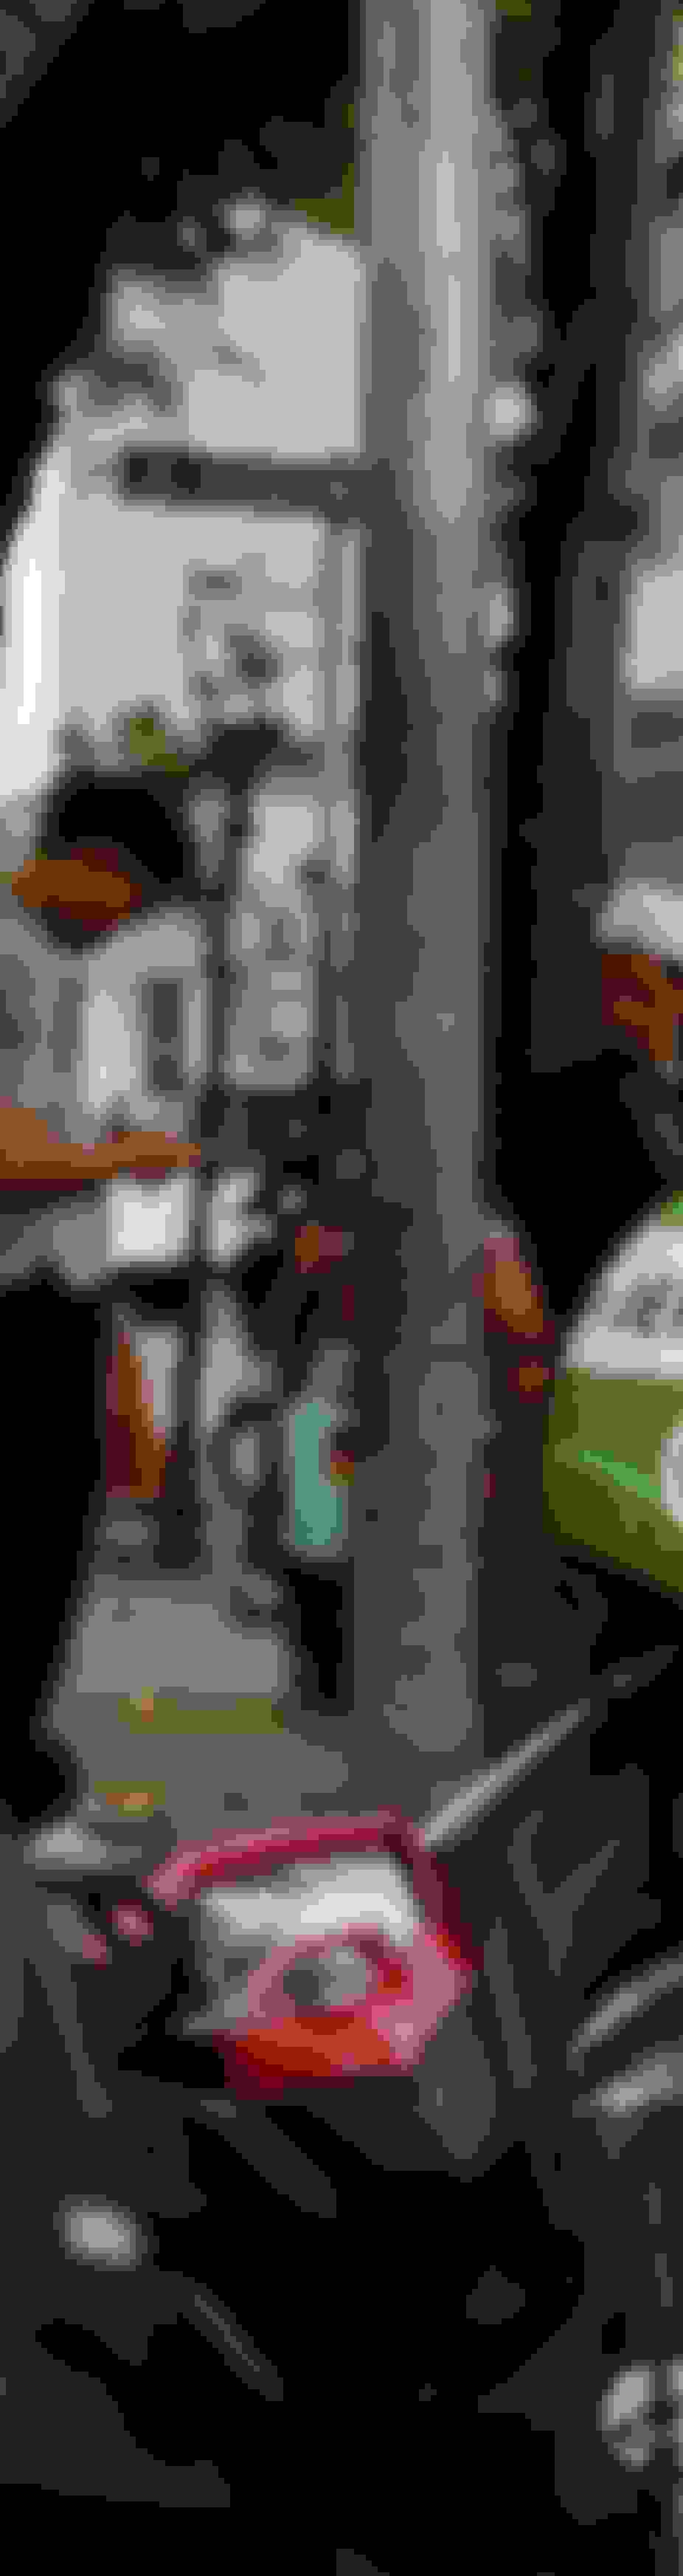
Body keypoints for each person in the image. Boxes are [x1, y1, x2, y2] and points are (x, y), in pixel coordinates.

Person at [0, 779, 201, 1835]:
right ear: (90, 861)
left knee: (53, 1545)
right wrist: (123, 1156)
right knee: (26, 1545)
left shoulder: (62, 972)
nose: (122, 925)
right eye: (126, 901)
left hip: (61, 1295)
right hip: (17, 1305)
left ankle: (25, 1766)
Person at [503, 878, 683, 1323]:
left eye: (642, 979)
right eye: (613, 977)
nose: (618, 995)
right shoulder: (562, 1104)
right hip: (607, 1327)